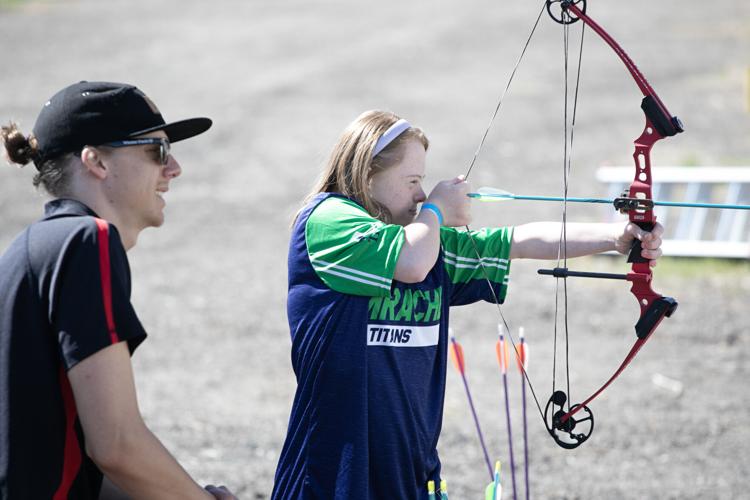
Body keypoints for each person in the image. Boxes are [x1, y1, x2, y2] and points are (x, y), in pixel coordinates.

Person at [271, 110, 664, 499]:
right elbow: (411, 262)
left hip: (407, 472)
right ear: (366, 173)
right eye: (412, 181)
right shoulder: (327, 219)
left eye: (423, 182)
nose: (421, 194)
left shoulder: (418, 238)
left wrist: (617, 238)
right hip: (330, 474)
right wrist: (436, 210)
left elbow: (519, 240)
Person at [0, 81, 236, 500]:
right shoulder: (85, 240)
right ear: (96, 162)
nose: (174, 169)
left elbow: (61, 460)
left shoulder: (32, 249)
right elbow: (116, 446)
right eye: (157, 151)